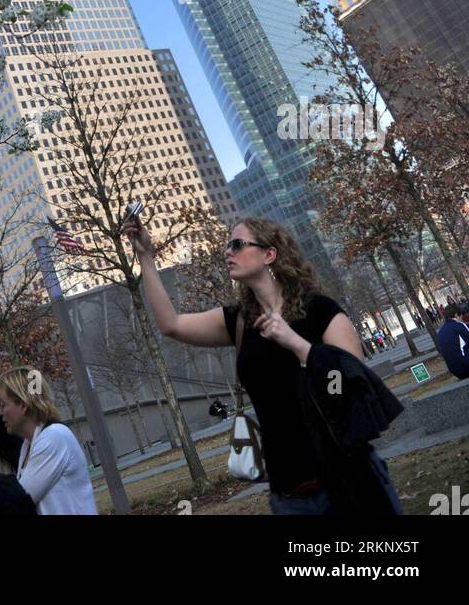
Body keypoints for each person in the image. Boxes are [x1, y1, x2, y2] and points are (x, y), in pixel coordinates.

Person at [125, 214, 404, 516]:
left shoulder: (320, 311)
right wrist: (145, 257)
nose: (227, 252)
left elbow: (344, 387)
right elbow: (172, 324)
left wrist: (299, 346)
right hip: (289, 496)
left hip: (349, 482)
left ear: (269, 254)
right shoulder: (241, 321)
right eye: (227, 246)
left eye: (237, 244)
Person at [0, 367, 97, 515]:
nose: (0, 412)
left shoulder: (53, 437)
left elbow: (19, 500)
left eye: (3, 405)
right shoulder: (28, 445)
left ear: (23, 405)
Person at [437, 301, 469, 380]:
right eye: (461, 316)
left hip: (455, 371)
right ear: (456, 315)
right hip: (466, 367)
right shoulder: (459, 326)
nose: (462, 319)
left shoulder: (441, 331)